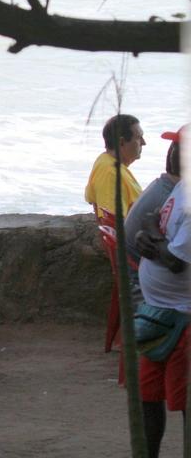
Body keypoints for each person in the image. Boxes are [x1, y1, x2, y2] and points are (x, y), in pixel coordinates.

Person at [134, 155, 189, 458]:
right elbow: (163, 239)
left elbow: (176, 261)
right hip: (157, 313)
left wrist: (150, 229)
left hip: (183, 317)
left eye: (177, 146)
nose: (170, 151)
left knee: (185, 403)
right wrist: (149, 233)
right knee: (148, 395)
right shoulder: (179, 189)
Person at [123, 127, 183, 306]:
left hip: (140, 276)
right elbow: (176, 262)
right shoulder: (172, 200)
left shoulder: (164, 187)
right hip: (146, 289)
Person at [85, 114, 145, 219]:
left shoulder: (106, 161)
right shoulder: (111, 174)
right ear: (121, 142)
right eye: (139, 138)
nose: (144, 143)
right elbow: (112, 223)